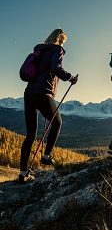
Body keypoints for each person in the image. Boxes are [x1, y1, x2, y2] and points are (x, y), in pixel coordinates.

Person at [19, 28, 79, 183]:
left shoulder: (39, 50)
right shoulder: (57, 50)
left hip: (29, 92)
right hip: (43, 92)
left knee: (30, 134)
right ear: (60, 38)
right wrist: (70, 77)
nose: (63, 44)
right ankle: (46, 156)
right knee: (57, 122)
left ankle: (23, 172)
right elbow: (55, 68)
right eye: (63, 41)